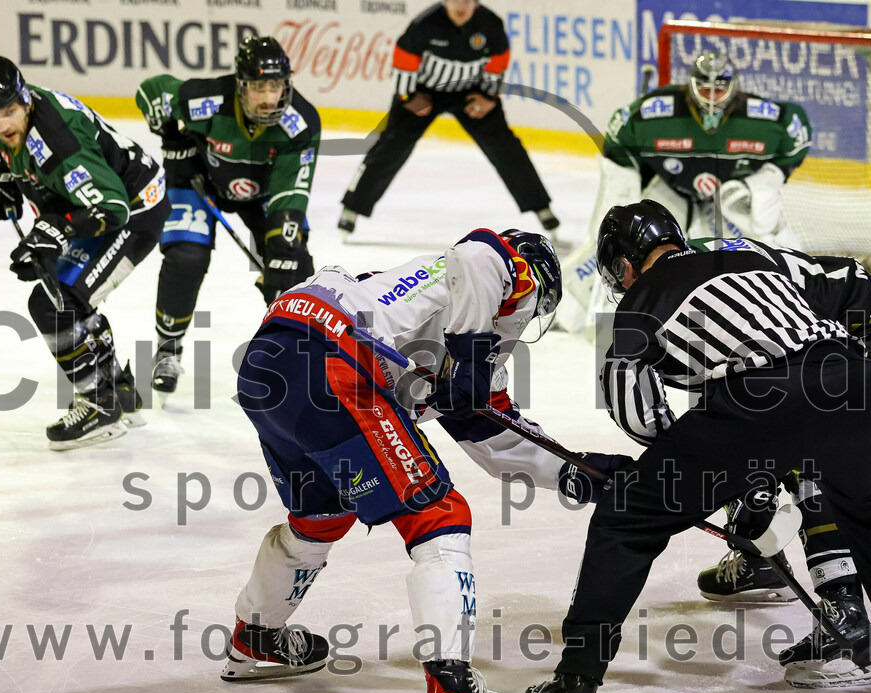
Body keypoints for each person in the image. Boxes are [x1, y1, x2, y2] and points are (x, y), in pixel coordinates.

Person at [523, 201, 871, 693]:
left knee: (626, 521)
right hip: (852, 380)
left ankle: (573, 684)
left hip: (762, 400)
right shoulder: (752, 260)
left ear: (627, 264)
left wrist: (681, 477)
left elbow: (636, 411)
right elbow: (848, 289)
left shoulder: (641, 301)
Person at [225, 227, 608, 693]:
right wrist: (472, 356)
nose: (523, 320)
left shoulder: (429, 305)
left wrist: (578, 473)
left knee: (321, 519)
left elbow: (488, 429)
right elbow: (482, 251)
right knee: (440, 516)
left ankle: (257, 638)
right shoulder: (491, 273)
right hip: (332, 364)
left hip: (270, 366)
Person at [692, 236, 871, 689]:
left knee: (812, 461)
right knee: (742, 433)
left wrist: (755, 496)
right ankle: (761, 564)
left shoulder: (703, 298)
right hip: (821, 327)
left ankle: (845, 614)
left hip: (858, 323)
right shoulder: (692, 281)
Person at [0, 55, 166, 450]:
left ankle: (100, 405)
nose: (4, 124)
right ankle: (118, 392)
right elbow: (37, 168)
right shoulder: (14, 120)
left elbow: (111, 209)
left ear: (24, 99)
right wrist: (7, 176)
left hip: (132, 212)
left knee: (53, 303)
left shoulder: (60, 142)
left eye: (9, 112)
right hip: (102, 202)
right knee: (66, 298)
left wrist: (56, 229)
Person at [557, 49, 812, 335]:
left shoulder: (765, 120)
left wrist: (766, 178)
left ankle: (798, 298)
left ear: (733, 86)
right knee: (627, 243)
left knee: (762, 230)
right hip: (670, 190)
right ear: (690, 86)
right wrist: (632, 179)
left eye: (719, 88)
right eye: (704, 88)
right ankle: (589, 312)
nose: (712, 96)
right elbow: (618, 137)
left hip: (726, 196)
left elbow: (797, 138)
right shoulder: (655, 114)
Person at [135, 36, 321, 402]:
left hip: (263, 193)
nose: (269, 98)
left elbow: (290, 192)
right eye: (258, 87)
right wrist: (166, 126)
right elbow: (150, 89)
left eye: (276, 86)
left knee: (292, 266)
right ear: (240, 86)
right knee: (186, 257)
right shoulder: (205, 100)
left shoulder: (299, 123)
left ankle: (296, 357)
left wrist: (282, 249)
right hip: (199, 182)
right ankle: (168, 349)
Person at [338, 0, 560, 239]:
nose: (462, 5)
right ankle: (353, 207)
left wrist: (488, 97)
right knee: (391, 145)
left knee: (505, 147)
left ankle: (541, 207)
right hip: (424, 92)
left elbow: (498, 62)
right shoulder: (424, 24)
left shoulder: (490, 24)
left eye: (468, 0)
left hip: (471, 92)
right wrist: (408, 97)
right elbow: (403, 61)